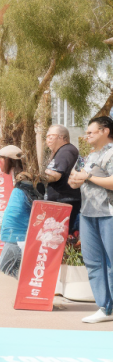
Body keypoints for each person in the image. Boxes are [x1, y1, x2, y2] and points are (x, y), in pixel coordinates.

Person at [69, 115, 113, 324]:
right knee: (94, 262)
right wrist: (76, 180)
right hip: (88, 214)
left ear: (105, 131)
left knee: (111, 262)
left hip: (108, 214)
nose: (86, 136)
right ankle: (104, 308)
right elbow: (81, 179)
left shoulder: (112, 152)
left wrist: (87, 177)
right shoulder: (92, 156)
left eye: (90, 132)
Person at [0, 146, 40, 279]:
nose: (0, 163)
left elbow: (16, 210)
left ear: (9, 160)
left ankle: (28, 289)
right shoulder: (19, 182)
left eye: (2, 159)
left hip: (17, 233)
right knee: (11, 266)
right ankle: (27, 289)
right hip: (16, 232)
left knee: (6, 265)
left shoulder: (23, 183)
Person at [44, 124, 81, 234]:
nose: (48, 139)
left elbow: (56, 175)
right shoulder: (62, 151)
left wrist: (39, 175)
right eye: (47, 136)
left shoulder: (65, 151)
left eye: (51, 136)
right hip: (63, 200)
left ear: (62, 137)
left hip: (63, 200)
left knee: (58, 236)